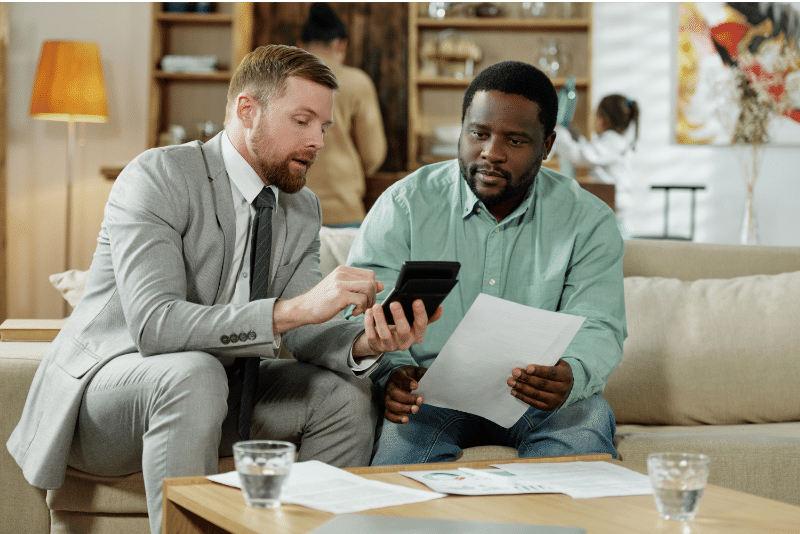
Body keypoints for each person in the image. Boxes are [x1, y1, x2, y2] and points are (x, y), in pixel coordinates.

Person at [7, 45, 437, 534]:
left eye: (325, 126)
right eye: (302, 121)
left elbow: (300, 332)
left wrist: (366, 342)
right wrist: (293, 309)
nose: (318, 140)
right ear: (246, 110)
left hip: (225, 390)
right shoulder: (158, 176)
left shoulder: (301, 208)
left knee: (345, 397)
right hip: (108, 398)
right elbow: (155, 325)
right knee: (194, 373)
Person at [346, 61, 627, 465]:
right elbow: (362, 310)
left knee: (589, 420)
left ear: (546, 146)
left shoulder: (588, 220)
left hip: (536, 397)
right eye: (478, 133)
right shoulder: (405, 204)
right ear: (462, 129)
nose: (490, 153)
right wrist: (394, 373)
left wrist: (572, 372)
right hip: (429, 393)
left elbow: (600, 322)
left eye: (515, 141)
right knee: (399, 470)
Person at [298, 2, 387, 227]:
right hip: (344, 210)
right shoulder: (357, 82)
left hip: (290, 213)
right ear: (341, 44)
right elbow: (373, 154)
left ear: (300, 45)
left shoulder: (278, 82)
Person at [551, 94, 639, 238]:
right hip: (616, 215)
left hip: (615, 218)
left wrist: (559, 133)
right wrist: (575, 135)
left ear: (603, 120)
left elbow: (579, 156)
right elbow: (589, 150)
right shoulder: (615, 142)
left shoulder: (612, 142)